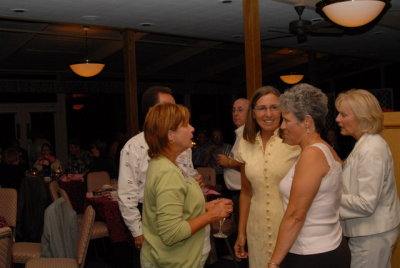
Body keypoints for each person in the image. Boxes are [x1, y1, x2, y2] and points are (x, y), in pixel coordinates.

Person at [141, 102, 233, 267]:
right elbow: (172, 233)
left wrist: (205, 206)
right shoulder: (167, 172)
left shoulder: (165, 163)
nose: (192, 129)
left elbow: (177, 207)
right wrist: (212, 215)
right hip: (174, 262)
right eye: (185, 125)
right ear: (170, 135)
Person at [268, 83, 350, 268]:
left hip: (312, 254)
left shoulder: (312, 155)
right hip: (326, 248)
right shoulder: (325, 150)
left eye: (287, 120)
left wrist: (274, 262)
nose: (282, 126)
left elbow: (296, 215)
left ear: (307, 121)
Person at [118, 86, 201, 266]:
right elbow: (127, 195)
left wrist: (194, 181)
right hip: (150, 214)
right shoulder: (133, 147)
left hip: (181, 210)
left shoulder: (183, 146)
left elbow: (188, 175)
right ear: (152, 112)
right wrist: (137, 232)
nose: (174, 112)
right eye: (166, 108)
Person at [233, 86, 300, 267]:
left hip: (291, 229)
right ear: (253, 113)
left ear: (282, 110)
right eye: (262, 108)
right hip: (257, 229)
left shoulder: (296, 142)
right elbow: (246, 193)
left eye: (274, 107)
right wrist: (241, 233)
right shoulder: (245, 145)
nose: (268, 114)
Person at [335, 89, 400, 268]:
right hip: (371, 232)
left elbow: (366, 203)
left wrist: (329, 198)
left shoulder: (371, 149)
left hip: (372, 234)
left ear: (362, 117)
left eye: (343, 114)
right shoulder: (365, 144)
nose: (337, 119)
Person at [217, 98, 249, 225]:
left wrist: (228, 162)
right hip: (236, 194)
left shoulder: (248, 135)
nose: (235, 114)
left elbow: (252, 165)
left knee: (243, 232)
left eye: (240, 110)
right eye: (234, 110)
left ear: (250, 113)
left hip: (244, 194)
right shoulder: (240, 134)